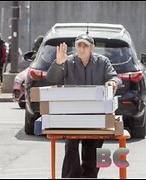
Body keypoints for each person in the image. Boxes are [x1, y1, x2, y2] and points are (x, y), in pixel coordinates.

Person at [46, 34, 122, 178]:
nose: (81, 49)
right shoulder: (67, 61)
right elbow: (51, 79)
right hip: (73, 115)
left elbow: (115, 77)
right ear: (75, 47)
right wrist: (58, 63)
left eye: (85, 46)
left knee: (93, 151)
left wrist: (113, 82)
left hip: (97, 116)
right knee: (70, 148)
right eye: (79, 45)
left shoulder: (103, 61)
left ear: (92, 48)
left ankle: (90, 176)